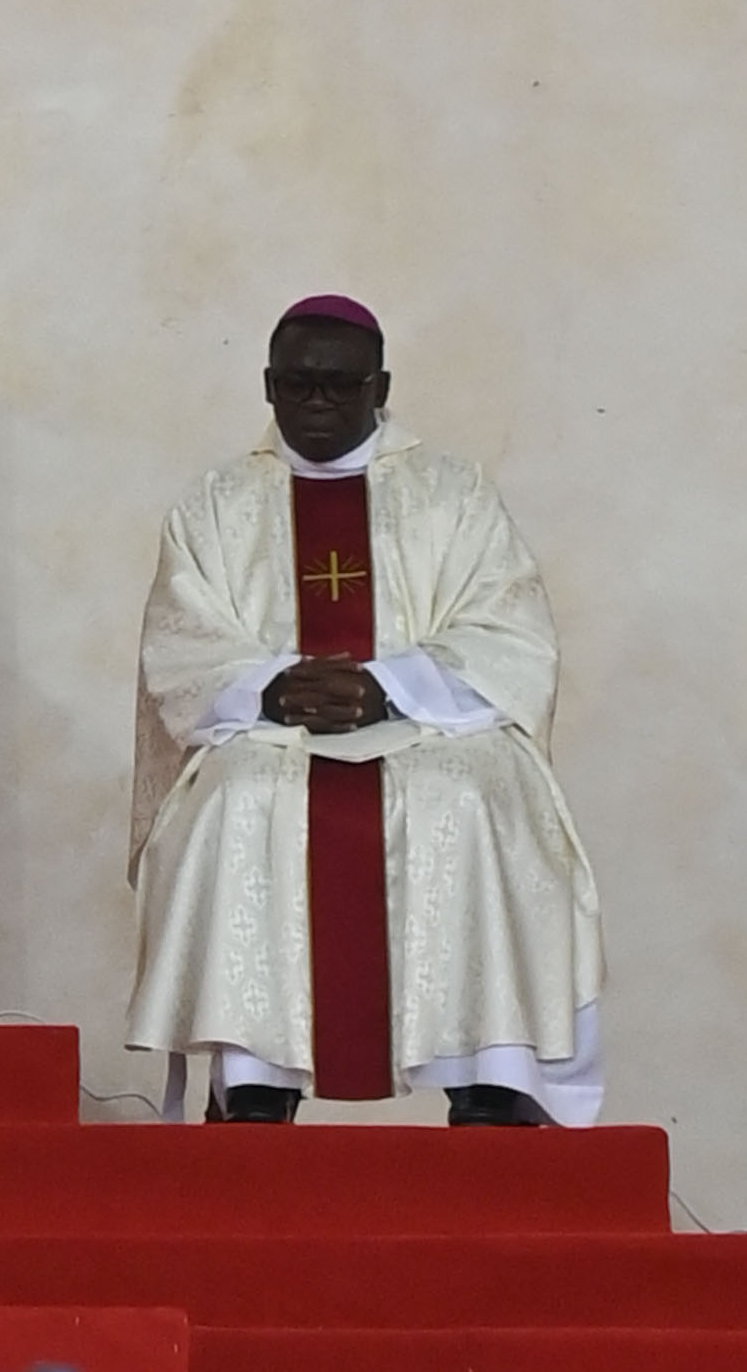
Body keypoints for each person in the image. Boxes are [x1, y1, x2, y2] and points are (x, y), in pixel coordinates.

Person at [129, 292, 601, 1124]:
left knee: (468, 788)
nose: (316, 403)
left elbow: (511, 630)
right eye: (295, 384)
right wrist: (272, 684)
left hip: (428, 721)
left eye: (338, 386)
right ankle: (252, 1082)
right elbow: (179, 642)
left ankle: (491, 1079)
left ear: (379, 386)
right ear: (266, 385)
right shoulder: (215, 502)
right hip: (268, 730)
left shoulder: (451, 491)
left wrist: (389, 684)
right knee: (240, 795)